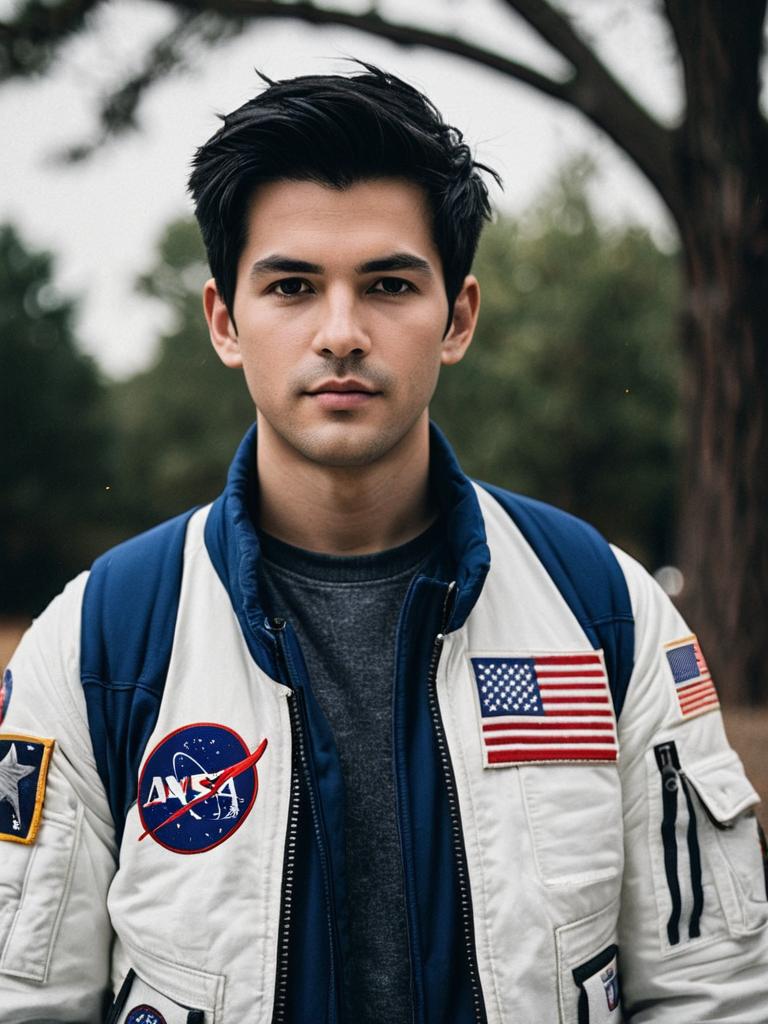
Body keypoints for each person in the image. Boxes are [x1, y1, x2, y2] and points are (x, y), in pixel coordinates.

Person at [1, 64, 766, 1024]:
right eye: (291, 286)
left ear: (459, 318)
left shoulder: (604, 611)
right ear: (225, 322)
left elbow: (711, 995)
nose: (341, 333)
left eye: (389, 284)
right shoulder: (101, 644)